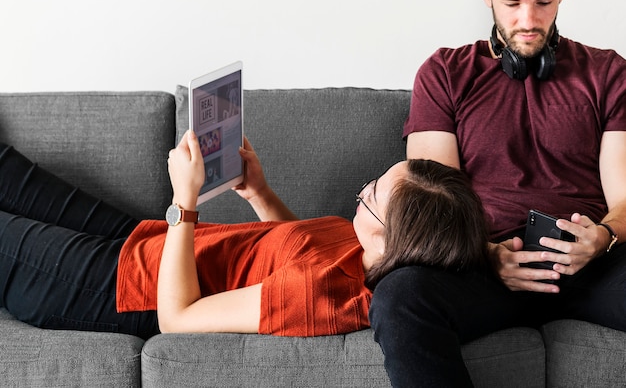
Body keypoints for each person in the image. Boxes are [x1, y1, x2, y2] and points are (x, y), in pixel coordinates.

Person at [369, 0, 626, 387]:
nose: (527, 21)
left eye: (543, 2)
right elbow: (433, 209)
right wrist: (487, 256)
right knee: (400, 296)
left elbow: (625, 198)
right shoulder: (444, 73)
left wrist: (604, 237)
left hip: (591, 265)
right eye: (511, 3)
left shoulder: (608, 72)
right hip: (483, 266)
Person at [0, 131, 489, 340]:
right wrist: (258, 192)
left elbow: (177, 317)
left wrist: (185, 201)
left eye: (373, 195)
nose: (363, 188)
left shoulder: (319, 296)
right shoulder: (363, 251)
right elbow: (297, 251)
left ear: (393, 246)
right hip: (147, 245)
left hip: (124, 291)